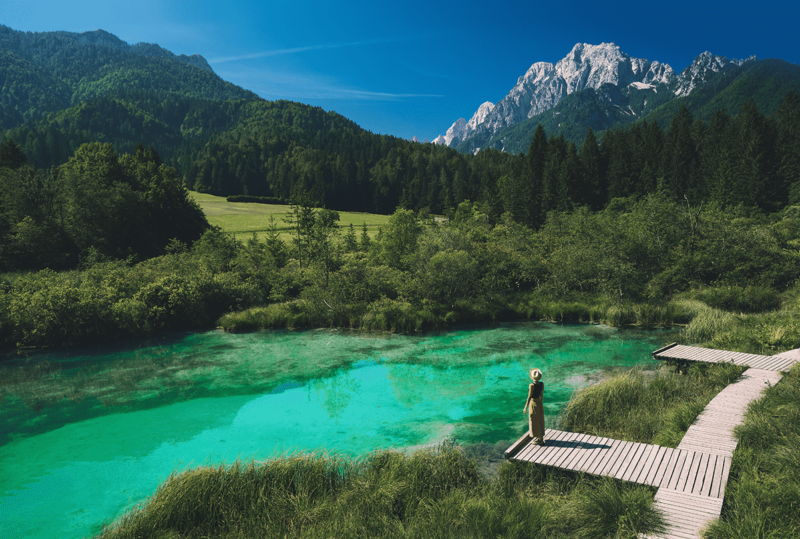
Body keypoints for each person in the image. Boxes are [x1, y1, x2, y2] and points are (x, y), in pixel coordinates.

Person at [523, 368, 545, 445]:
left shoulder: (531, 385)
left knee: (534, 420)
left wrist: (525, 407)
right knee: (540, 419)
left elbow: (529, 397)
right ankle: (540, 437)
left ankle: (539, 439)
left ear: (532, 377)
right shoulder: (542, 384)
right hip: (539, 402)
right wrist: (540, 402)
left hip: (533, 403)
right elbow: (541, 394)